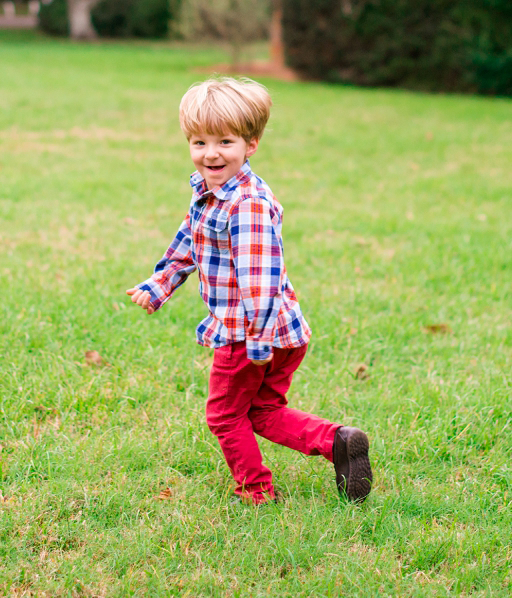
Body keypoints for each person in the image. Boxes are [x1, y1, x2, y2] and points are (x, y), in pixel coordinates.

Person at [126, 77, 372, 505]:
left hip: (253, 334)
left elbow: (261, 280)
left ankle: (255, 491)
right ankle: (338, 443)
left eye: (225, 141)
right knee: (262, 411)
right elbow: (191, 240)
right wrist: (159, 283)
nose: (211, 153)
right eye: (199, 142)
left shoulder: (247, 205)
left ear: (251, 144)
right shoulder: (211, 192)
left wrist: (257, 342)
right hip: (276, 332)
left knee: (224, 415)